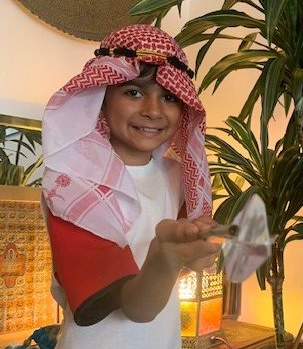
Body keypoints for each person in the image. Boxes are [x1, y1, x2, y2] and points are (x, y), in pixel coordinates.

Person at [41, 24, 221, 348]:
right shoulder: (72, 184)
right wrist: (166, 257)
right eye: (133, 92)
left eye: (168, 96)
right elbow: (137, 307)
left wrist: (200, 251)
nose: (152, 110)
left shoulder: (178, 177)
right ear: (102, 96)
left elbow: (191, 263)